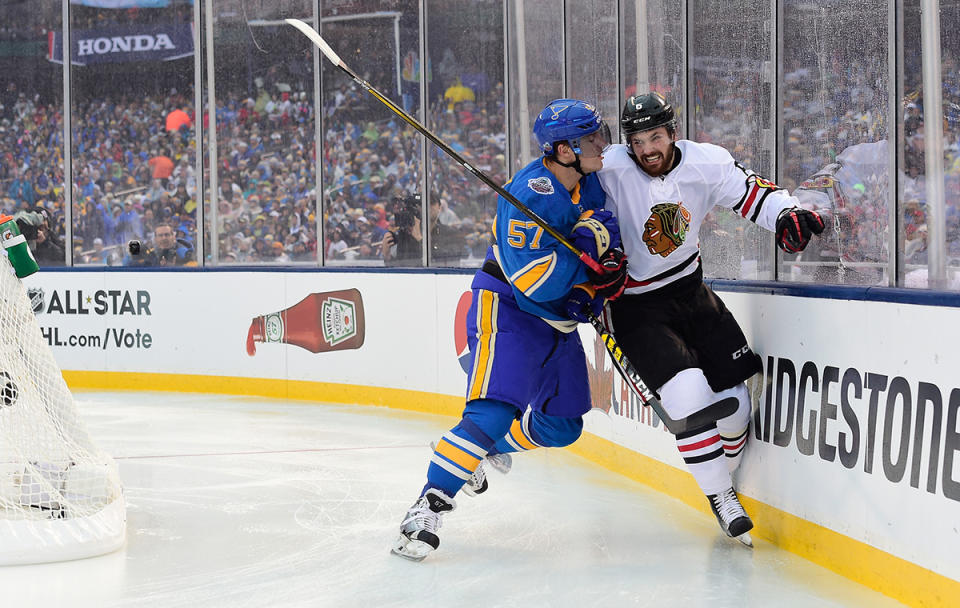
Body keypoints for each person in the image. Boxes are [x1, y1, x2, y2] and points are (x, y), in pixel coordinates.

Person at [391, 99, 628, 561]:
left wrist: (602, 267)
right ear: (563, 149)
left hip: (552, 321)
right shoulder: (532, 195)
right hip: (508, 310)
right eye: (590, 139)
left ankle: (476, 450)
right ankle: (425, 509)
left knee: (562, 426)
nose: (602, 144)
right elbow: (533, 281)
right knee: (493, 412)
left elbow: (605, 240)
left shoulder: (590, 182)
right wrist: (583, 261)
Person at [596, 93, 825, 546]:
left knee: (737, 408)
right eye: (637, 141)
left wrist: (788, 214)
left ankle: (726, 477)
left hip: (692, 293)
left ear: (673, 133)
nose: (647, 149)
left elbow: (755, 195)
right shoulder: (608, 167)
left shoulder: (708, 162)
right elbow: (561, 201)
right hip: (635, 306)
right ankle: (721, 497)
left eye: (655, 137)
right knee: (688, 394)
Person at [381, 192, 462, 267]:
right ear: (418, 208)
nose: (428, 206)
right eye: (423, 203)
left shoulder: (450, 233)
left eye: (432, 203)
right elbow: (401, 267)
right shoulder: (408, 234)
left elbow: (450, 262)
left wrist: (420, 239)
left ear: (439, 207)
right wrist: (387, 256)